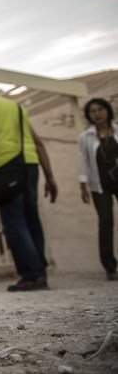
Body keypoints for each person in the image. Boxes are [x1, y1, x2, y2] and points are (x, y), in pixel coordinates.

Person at [0, 81, 58, 292]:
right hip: (30, 166)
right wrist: (50, 177)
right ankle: (40, 272)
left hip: (8, 167)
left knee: (14, 221)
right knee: (31, 218)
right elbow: (38, 143)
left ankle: (31, 275)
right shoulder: (17, 107)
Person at [77, 98, 118, 281]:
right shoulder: (85, 137)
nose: (97, 114)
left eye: (100, 109)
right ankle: (110, 267)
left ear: (107, 111)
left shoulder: (117, 131)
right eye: (93, 111)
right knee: (106, 222)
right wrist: (83, 184)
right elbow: (82, 161)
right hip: (99, 184)